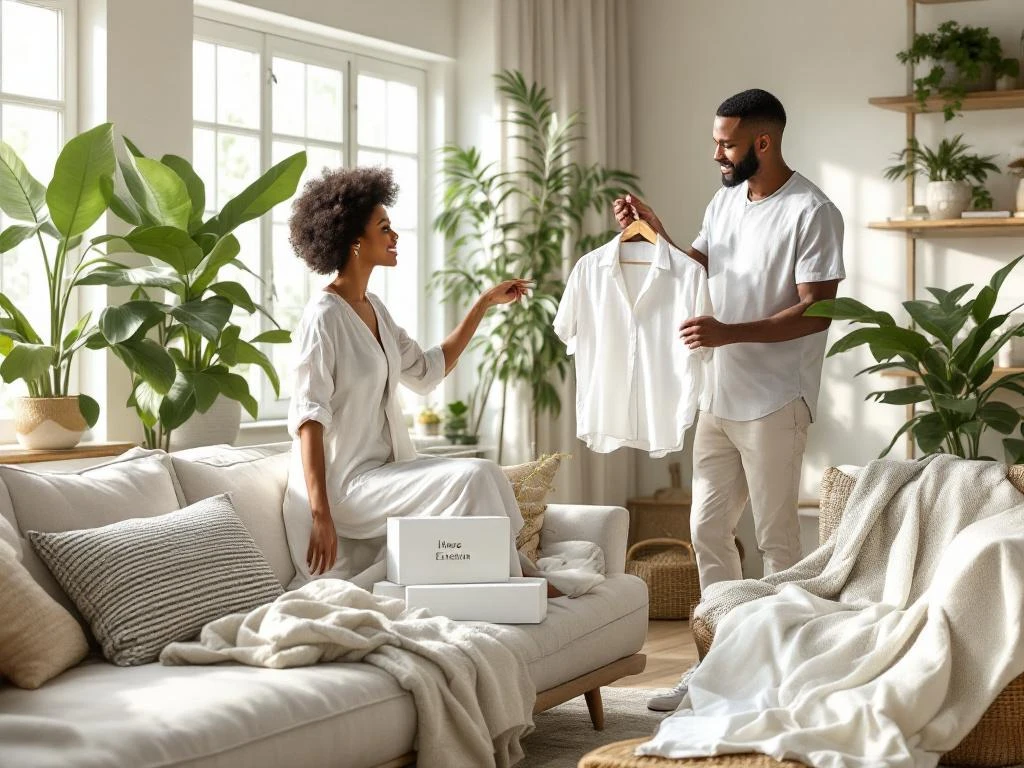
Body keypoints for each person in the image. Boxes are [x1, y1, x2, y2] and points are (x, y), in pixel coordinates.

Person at [614, 89, 845, 711]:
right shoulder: (724, 200)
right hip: (717, 393)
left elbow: (818, 310)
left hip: (776, 398)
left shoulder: (812, 211)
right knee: (707, 529)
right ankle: (714, 669)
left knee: (775, 540)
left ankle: (778, 673)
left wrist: (729, 331)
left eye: (727, 142)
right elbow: (696, 270)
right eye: (717, 140)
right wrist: (653, 229)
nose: (717, 151)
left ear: (762, 143)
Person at [283, 165, 531, 589]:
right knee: (473, 476)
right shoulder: (323, 317)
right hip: (347, 489)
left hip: (387, 474)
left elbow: (428, 370)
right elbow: (309, 419)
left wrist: (484, 304)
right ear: (354, 240)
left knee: (485, 472)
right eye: (385, 227)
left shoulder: (375, 308)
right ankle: (518, 580)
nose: (394, 236)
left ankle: (511, 576)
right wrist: (320, 513)